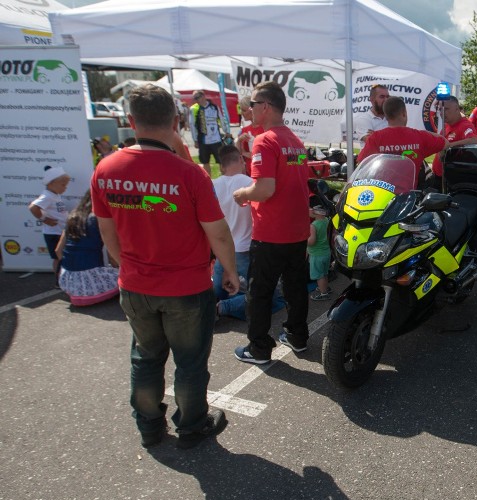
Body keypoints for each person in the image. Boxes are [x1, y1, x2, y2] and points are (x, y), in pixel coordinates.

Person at [92, 84, 239, 450]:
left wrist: (125, 264)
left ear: (130, 121)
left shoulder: (106, 168)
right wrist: (231, 272)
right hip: (186, 288)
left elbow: (106, 229)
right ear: (176, 122)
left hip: (136, 284)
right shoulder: (190, 174)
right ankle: (191, 426)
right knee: (189, 363)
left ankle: (148, 426)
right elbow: (218, 233)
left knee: (145, 356)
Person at [233, 81, 312, 364]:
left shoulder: (265, 140)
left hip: (271, 232)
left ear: (265, 106)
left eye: (252, 105)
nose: (249, 110)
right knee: (295, 287)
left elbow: (264, 189)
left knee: (260, 292)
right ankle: (297, 336)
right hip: (297, 229)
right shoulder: (295, 139)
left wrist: (242, 194)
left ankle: (259, 348)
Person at [212, 144, 285, 320]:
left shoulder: (212, 185)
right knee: (267, 297)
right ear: (240, 160)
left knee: (217, 292)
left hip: (222, 249)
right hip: (243, 249)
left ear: (222, 165)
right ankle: (222, 308)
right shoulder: (249, 184)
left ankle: (208, 308)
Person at [55, 190, 119, 306]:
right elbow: (112, 257)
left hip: (67, 281)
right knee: (126, 279)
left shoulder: (72, 217)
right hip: (91, 281)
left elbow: (58, 251)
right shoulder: (100, 219)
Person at [357, 96, 448, 177]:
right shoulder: (420, 136)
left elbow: (361, 163)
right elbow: (445, 143)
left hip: (382, 192)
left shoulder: (375, 137)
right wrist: (427, 132)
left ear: (386, 115)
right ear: (404, 113)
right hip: (409, 193)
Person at [28, 165, 69, 281]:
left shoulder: (54, 195)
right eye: (63, 185)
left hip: (59, 231)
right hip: (53, 233)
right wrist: (44, 220)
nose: (65, 188)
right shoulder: (47, 196)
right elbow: (32, 207)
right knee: (58, 258)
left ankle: (62, 279)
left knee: (62, 257)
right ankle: (58, 280)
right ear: (51, 183)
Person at [428, 96, 477, 190]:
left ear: (457, 109)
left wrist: (449, 146)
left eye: (446, 109)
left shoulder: (465, 125)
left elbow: (473, 140)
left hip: (449, 180)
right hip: (437, 176)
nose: (442, 113)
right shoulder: (446, 125)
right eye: (440, 109)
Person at [190, 90, 224, 175]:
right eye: (195, 98)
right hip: (203, 140)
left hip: (216, 139)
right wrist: (195, 140)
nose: (197, 100)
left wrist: (226, 131)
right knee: (205, 162)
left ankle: (224, 179)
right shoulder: (194, 109)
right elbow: (192, 125)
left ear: (203, 96)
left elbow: (221, 119)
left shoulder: (214, 107)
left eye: (198, 97)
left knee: (221, 161)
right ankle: (208, 182)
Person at [307, 205, 332, 301]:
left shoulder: (313, 225)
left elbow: (312, 241)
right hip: (326, 252)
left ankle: (323, 293)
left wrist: (304, 240)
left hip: (317, 255)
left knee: (319, 275)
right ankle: (325, 287)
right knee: (324, 272)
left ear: (316, 212)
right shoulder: (327, 220)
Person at [236, 95, 264, 173]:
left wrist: (248, 154)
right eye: (241, 110)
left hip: (264, 172)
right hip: (249, 172)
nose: (241, 113)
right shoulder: (244, 130)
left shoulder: (266, 128)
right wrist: (239, 141)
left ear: (252, 110)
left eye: (244, 110)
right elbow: (238, 155)